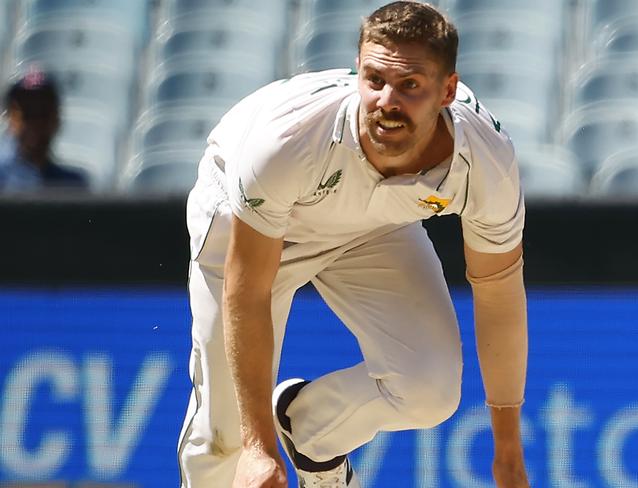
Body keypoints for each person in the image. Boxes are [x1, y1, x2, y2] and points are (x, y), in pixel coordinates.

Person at [178, 1, 529, 487]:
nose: (388, 101)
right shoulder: (287, 140)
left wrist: (507, 454)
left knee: (429, 388)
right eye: (374, 80)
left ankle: (311, 435)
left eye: (410, 85)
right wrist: (259, 449)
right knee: (227, 439)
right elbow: (249, 290)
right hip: (251, 219)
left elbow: (498, 296)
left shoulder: (486, 160)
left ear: (448, 90)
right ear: (356, 72)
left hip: (372, 226)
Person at [0, 68, 87, 191]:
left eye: (43, 113)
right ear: (10, 119)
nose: (35, 123)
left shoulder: (73, 184)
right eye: (27, 114)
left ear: (56, 119)